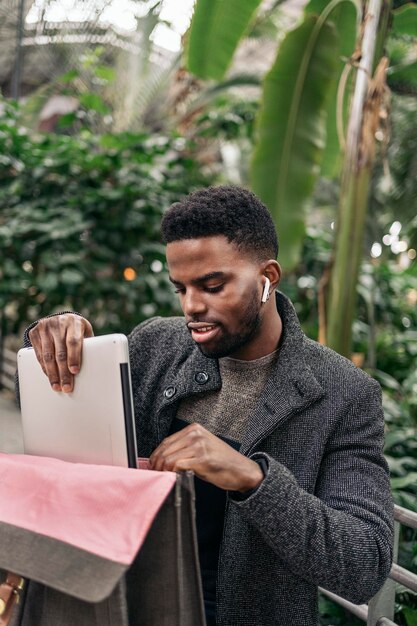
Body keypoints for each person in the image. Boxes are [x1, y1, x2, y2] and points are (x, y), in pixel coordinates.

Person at [26, 185, 393, 626]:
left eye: (212, 285)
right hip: (130, 607)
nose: (192, 306)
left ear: (267, 278)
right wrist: (54, 347)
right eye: (180, 288)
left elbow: (364, 564)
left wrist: (251, 478)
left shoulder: (343, 393)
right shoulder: (154, 344)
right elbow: (57, 412)